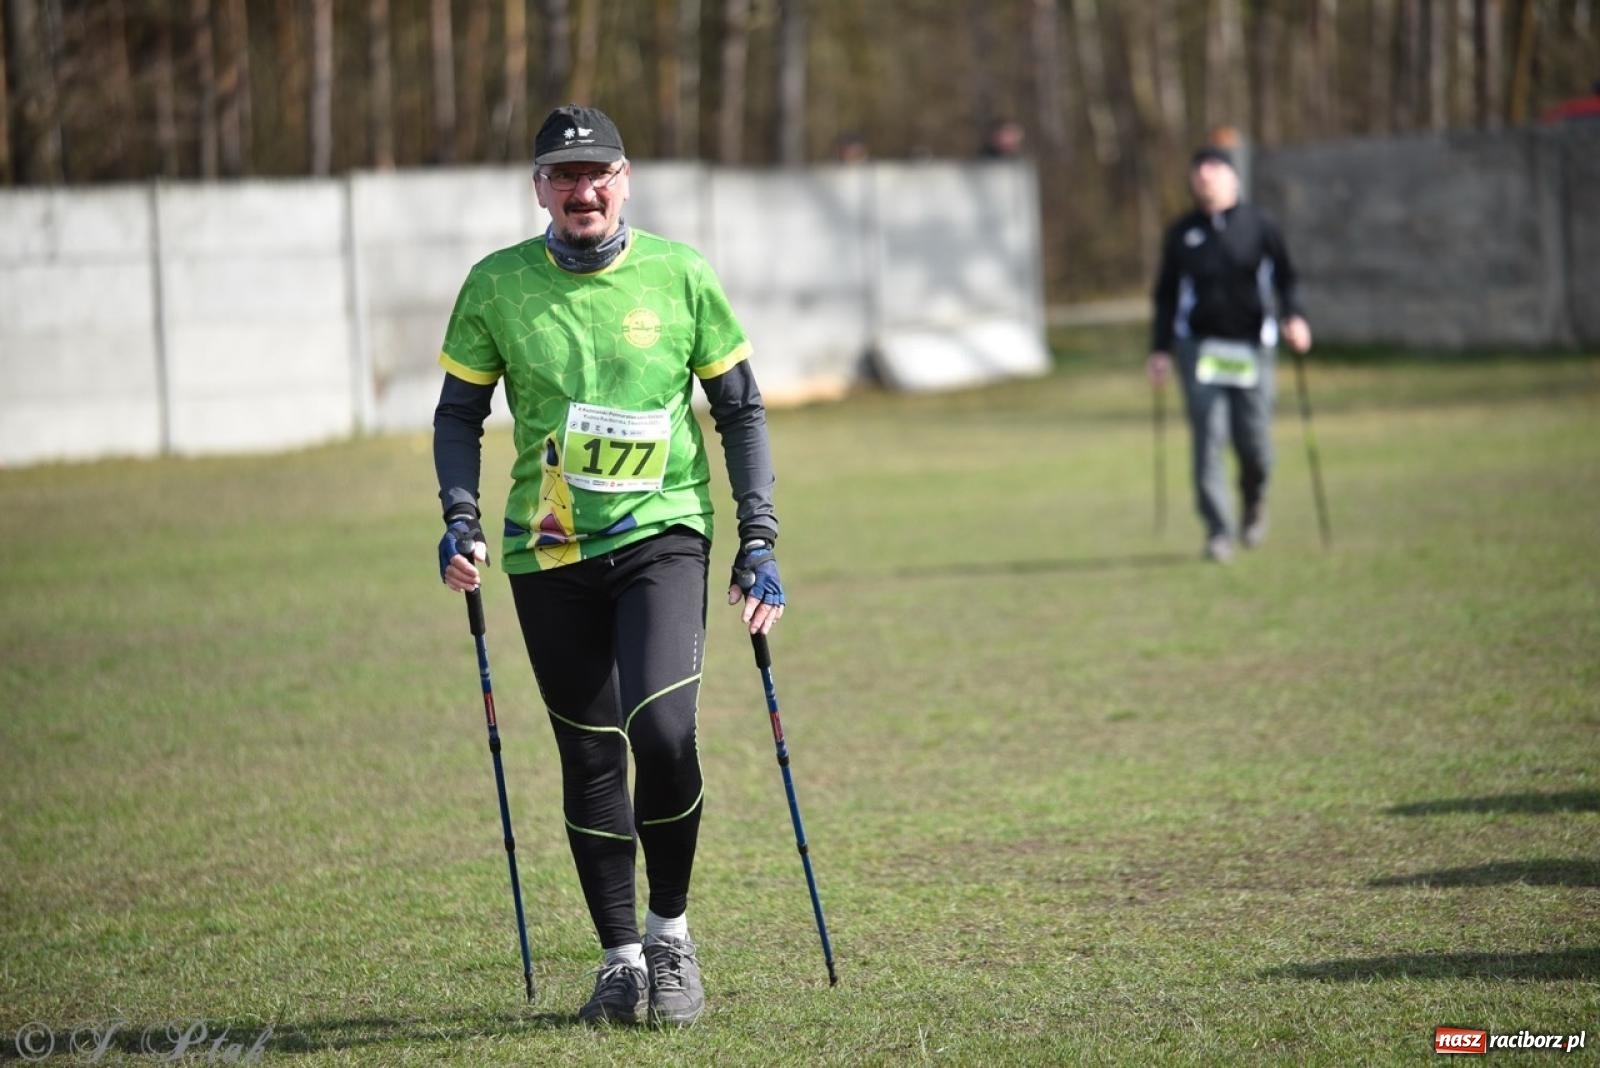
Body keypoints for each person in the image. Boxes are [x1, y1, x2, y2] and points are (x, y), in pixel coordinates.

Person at [432, 104, 786, 1027]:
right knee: (589, 753)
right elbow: (457, 417)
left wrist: (759, 538)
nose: (582, 190)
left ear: (624, 179)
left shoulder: (680, 274)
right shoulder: (496, 285)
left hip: (664, 532)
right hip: (547, 550)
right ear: (539, 187)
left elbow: (740, 410)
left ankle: (671, 937)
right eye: (562, 174)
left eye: (598, 173)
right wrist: (460, 517)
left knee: (664, 733)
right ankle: (620, 960)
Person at [1148, 146, 1311, 562]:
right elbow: (1166, 296)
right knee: (1208, 439)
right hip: (1198, 349)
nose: (1204, 176)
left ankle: (1253, 500)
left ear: (1233, 178)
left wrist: (1295, 318)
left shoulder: (1260, 225)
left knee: (1253, 442)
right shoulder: (1181, 233)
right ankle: (1218, 531)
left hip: (1252, 349)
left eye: (1214, 169)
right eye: (1198, 170)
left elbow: (1287, 279)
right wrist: (1160, 349)